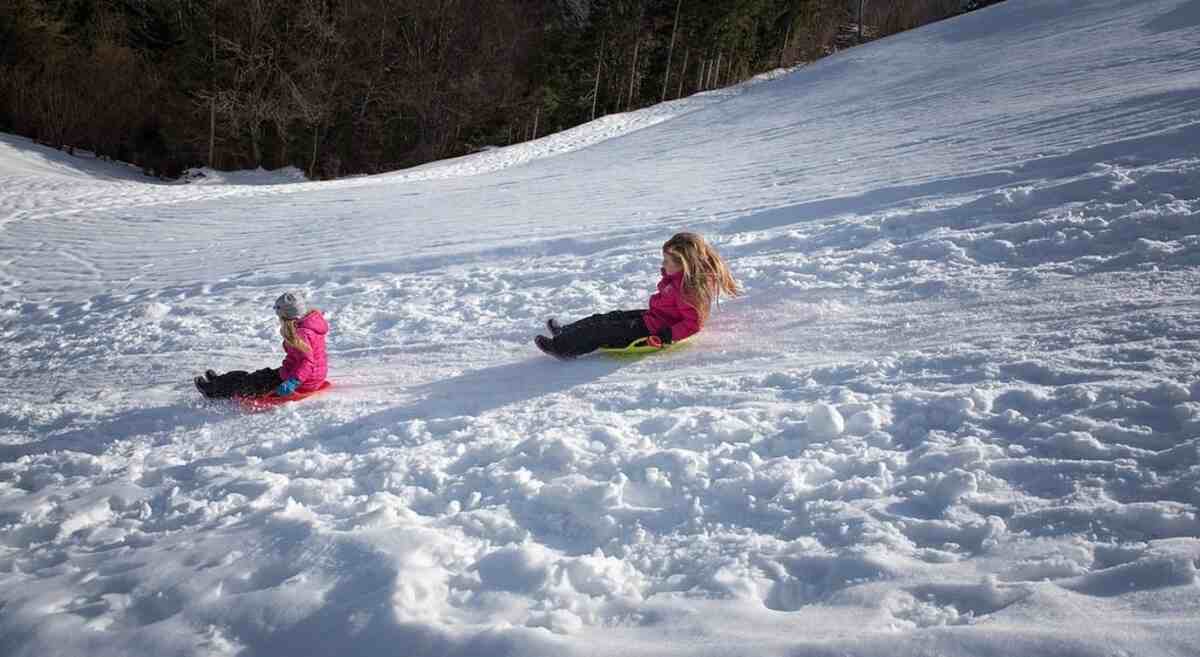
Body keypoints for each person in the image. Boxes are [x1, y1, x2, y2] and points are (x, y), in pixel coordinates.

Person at [536, 232, 739, 360]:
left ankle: (562, 347)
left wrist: (665, 336)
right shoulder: (678, 280)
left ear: (683, 265)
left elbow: (693, 324)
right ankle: (566, 332)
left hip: (653, 329)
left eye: (668, 262)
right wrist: (669, 276)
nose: (663, 265)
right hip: (652, 316)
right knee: (608, 317)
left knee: (602, 331)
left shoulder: (689, 291)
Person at [195, 291, 329, 399]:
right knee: (258, 376)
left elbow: (307, 362)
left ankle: (211, 390)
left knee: (246, 384)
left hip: (300, 381)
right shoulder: (309, 323)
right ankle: (218, 381)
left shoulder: (301, 333)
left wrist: (292, 383)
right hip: (306, 376)